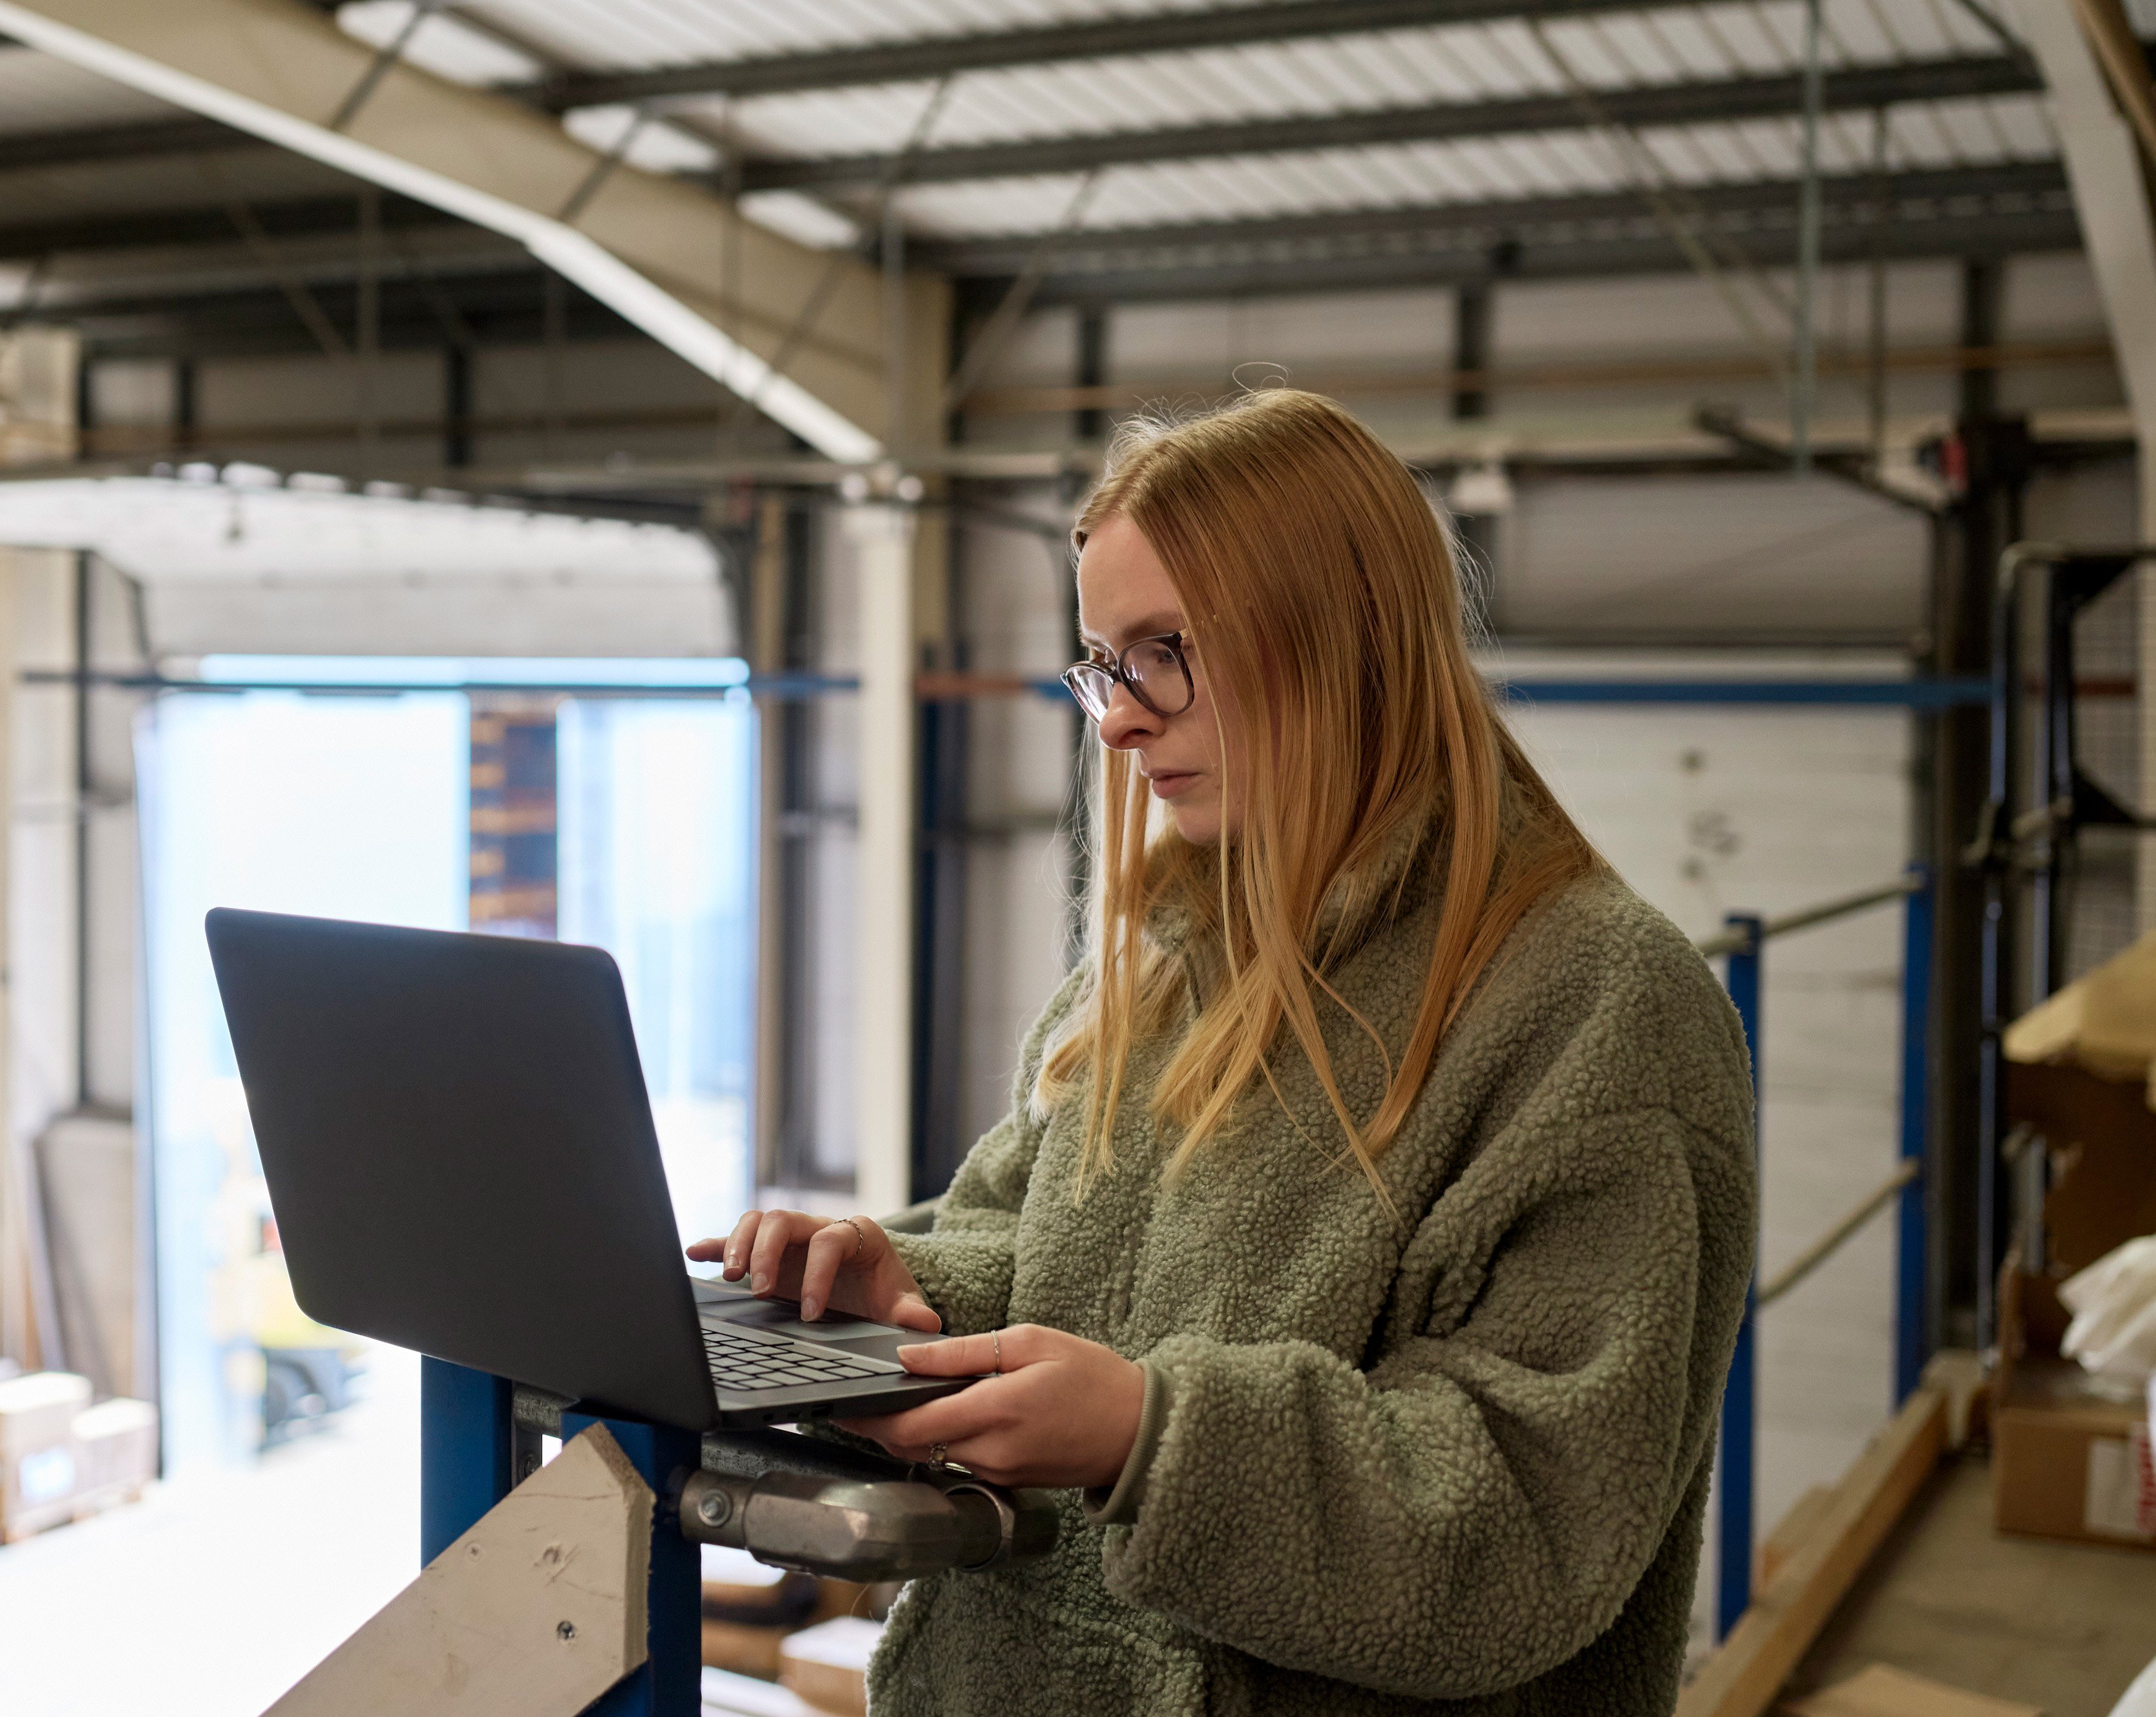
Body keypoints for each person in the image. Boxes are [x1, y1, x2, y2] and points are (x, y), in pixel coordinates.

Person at [694, 390, 1755, 1713]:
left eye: (1166, 651)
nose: (1115, 722)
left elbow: (1532, 1515)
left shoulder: (1596, 1005)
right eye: (1099, 662)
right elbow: (1038, 1253)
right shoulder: (1163, 967)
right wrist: (896, 1283)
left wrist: (1155, 1438)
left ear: (1344, 641)